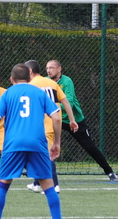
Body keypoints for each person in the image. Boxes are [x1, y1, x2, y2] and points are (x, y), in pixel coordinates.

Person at [0, 63, 67, 219]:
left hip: (13, 144)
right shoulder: (39, 93)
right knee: (49, 187)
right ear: (30, 77)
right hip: (38, 144)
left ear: (11, 79)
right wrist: (57, 143)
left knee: (2, 186)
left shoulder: (7, 94)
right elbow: (57, 117)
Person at [45, 59, 118, 182]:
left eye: (51, 68)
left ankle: (109, 172)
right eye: (47, 68)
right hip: (54, 118)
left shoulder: (67, 81)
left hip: (73, 120)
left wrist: (50, 107)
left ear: (59, 69)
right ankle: (34, 169)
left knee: (89, 147)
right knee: (40, 141)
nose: (48, 70)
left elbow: (69, 102)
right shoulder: (45, 81)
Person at [23, 60, 78, 194]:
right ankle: (37, 184)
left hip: (42, 123)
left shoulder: (31, 85)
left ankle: (54, 185)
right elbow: (65, 101)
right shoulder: (52, 83)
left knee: (46, 155)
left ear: (30, 71)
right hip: (55, 121)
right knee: (39, 152)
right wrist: (72, 120)